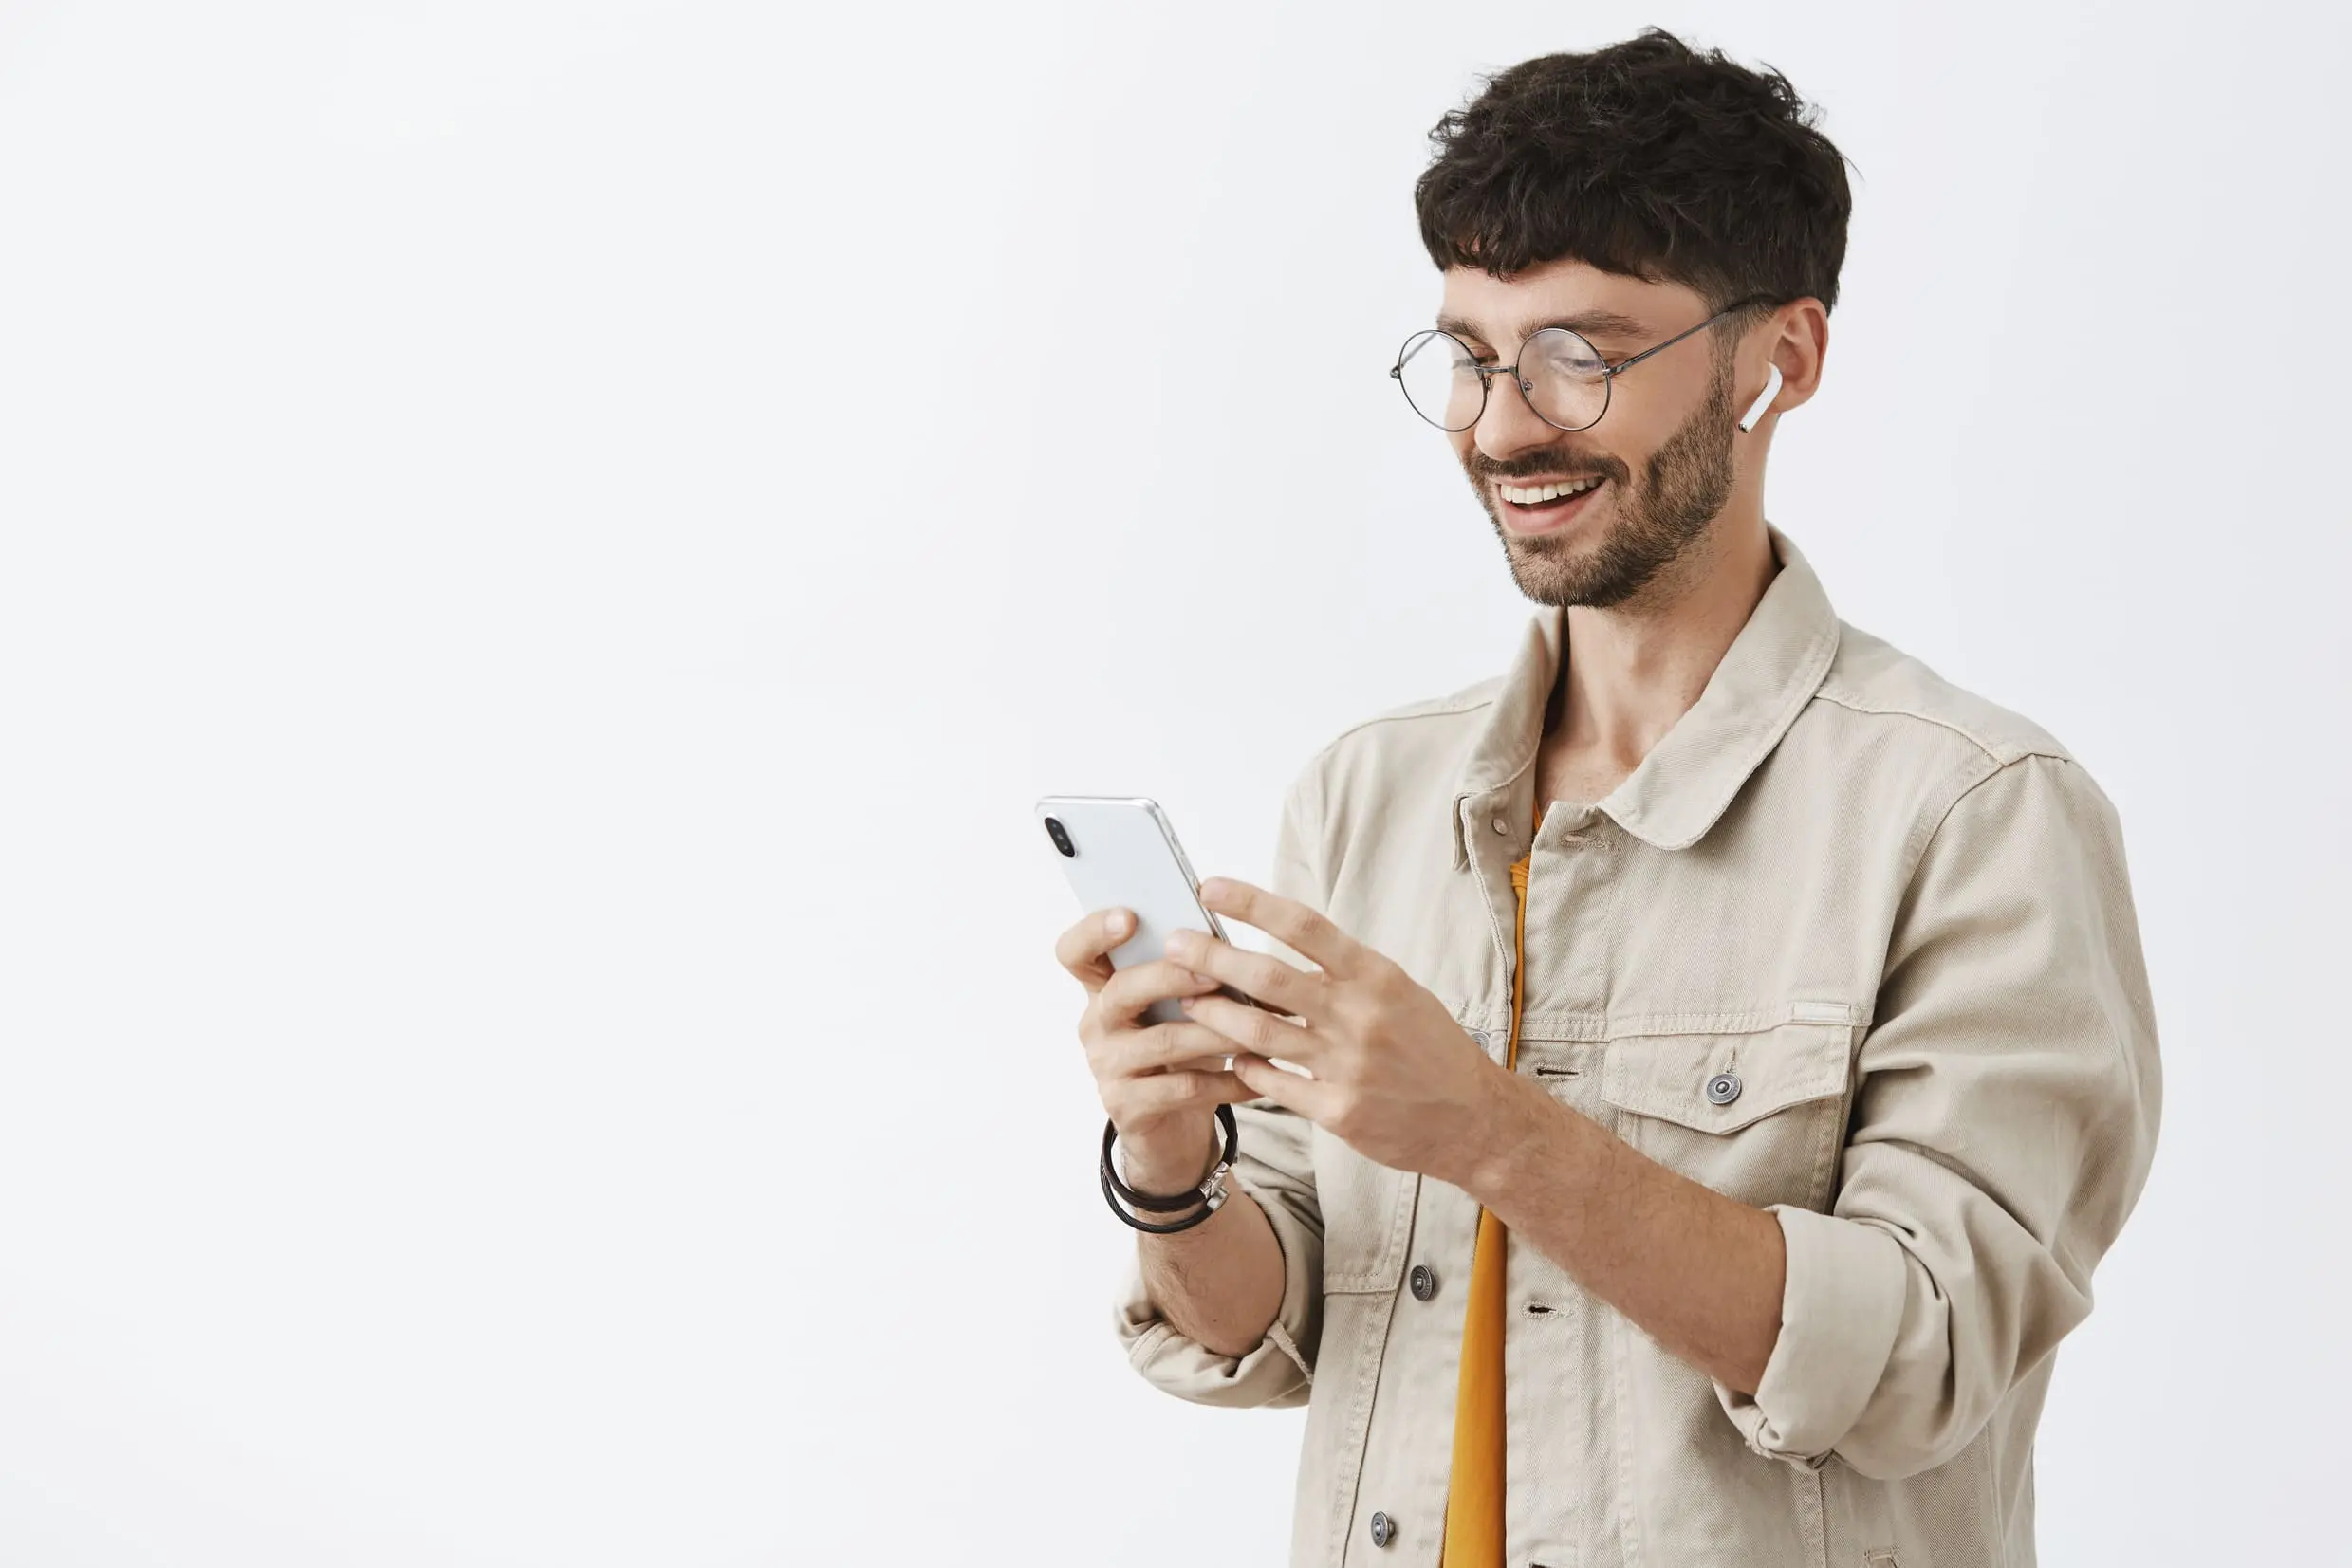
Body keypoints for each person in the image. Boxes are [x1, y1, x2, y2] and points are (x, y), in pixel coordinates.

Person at [1054, 28, 2160, 1568]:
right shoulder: (1373, 791)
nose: (1504, 425)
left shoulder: (1972, 813)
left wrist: (1493, 1129)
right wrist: (1169, 1168)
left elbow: (1922, 1359)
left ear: (1781, 357)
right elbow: (1279, 1331)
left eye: (1583, 354)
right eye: (1472, 353)